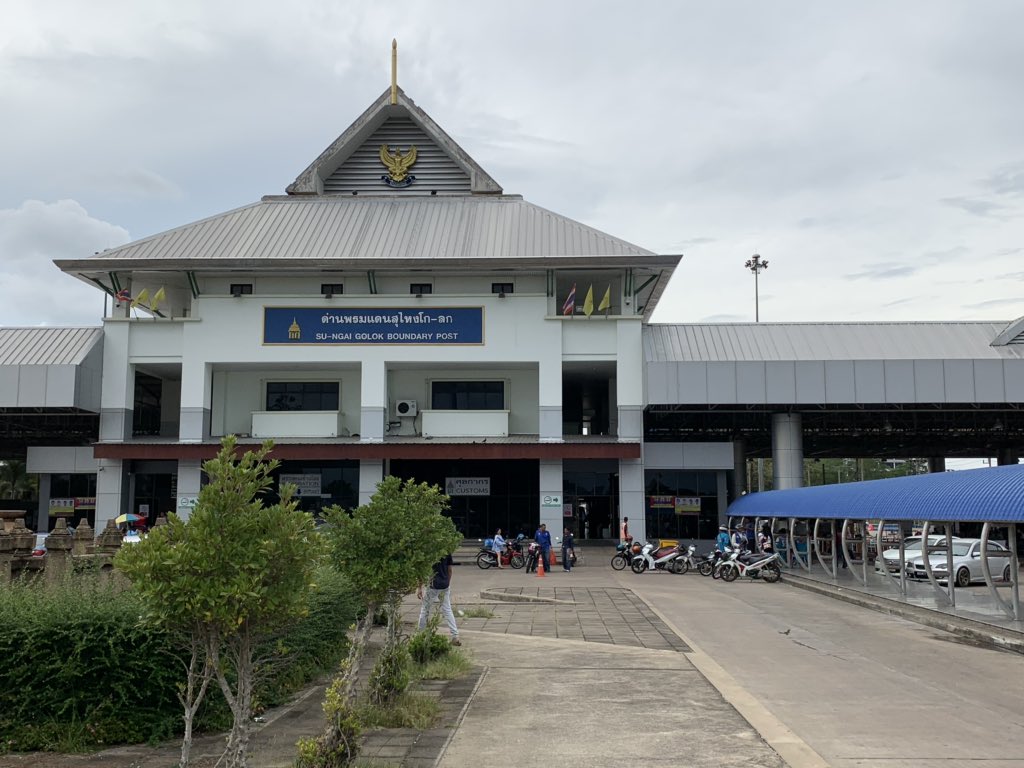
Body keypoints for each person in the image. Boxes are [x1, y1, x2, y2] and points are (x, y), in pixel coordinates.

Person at [417, 551, 461, 645]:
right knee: (447, 610)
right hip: (445, 585)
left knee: (425, 609)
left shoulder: (430, 550)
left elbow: (422, 570)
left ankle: (420, 634)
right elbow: (450, 570)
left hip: (433, 584)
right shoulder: (447, 551)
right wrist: (447, 583)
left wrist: (420, 587)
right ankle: (455, 636)